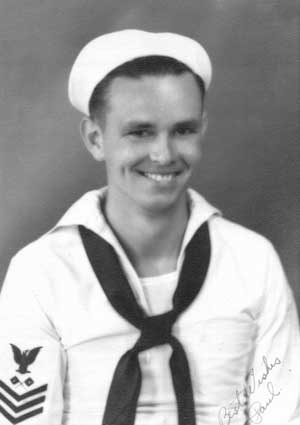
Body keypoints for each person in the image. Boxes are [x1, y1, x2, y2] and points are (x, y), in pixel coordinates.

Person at [0, 29, 299, 425]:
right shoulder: (42, 272)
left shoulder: (251, 261)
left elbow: (282, 413)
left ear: (202, 130)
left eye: (183, 130)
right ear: (95, 138)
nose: (163, 154)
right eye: (140, 132)